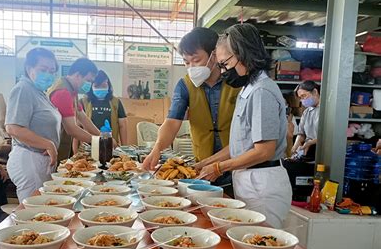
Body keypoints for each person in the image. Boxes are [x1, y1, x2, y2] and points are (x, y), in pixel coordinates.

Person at [198, 23, 292, 229]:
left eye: (225, 64)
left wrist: (218, 168)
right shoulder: (247, 89)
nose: (223, 71)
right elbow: (239, 147)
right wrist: (204, 163)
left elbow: (264, 151)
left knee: (261, 243)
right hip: (249, 181)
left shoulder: (261, 92)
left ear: (243, 54)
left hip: (262, 185)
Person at [142, 27, 241, 187]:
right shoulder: (185, 86)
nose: (191, 67)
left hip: (237, 164)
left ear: (214, 55)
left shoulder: (235, 81)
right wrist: (157, 148)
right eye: (186, 62)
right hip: (203, 166)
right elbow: (172, 122)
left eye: (196, 60)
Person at [5, 48, 62, 203]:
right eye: (43, 69)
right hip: (29, 159)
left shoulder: (39, 92)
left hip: (40, 160)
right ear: (29, 68)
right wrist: (48, 144)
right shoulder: (23, 89)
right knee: (34, 213)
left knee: (44, 211)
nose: (48, 74)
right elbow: (13, 127)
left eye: (52, 70)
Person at [48, 57, 102, 160]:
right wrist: (99, 141)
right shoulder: (63, 92)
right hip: (52, 149)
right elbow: (71, 129)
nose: (89, 85)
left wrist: (102, 136)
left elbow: (83, 117)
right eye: (88, 80)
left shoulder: (72, 91)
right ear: (77, 75)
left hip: (60, 146)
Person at [80, 70, 128, 145]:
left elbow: (123, 125)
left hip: (111, 145)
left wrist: (124, 147)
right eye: (96, 86)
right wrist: (76, 150)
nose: (100, 88)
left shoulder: (116, 102)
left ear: (108, 85)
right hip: (88, 146)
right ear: (91, 87)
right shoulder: (83, 102)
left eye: (103, 85)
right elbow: (78, 126)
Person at [291, 80, 320, 157]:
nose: (302, 100)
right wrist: (296, 145)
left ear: (315, 92)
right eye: (300, 98)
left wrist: (310, 142)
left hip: (323, 150)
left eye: (304, 96)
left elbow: (328, 136)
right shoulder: (306, 112)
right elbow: (301, 133)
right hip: (307, 150)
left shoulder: (327, 111)